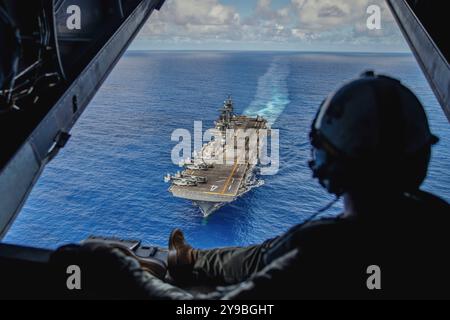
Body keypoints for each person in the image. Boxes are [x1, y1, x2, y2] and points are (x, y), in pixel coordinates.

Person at [52, 71, 450, 299]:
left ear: (330, 161)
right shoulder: (436, 224)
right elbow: (268, 255)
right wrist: (194, 260)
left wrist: (125, 271)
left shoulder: (327, 252)